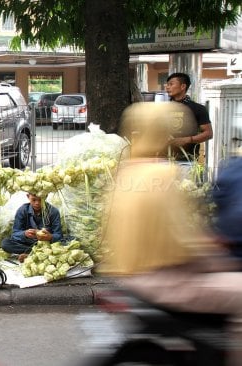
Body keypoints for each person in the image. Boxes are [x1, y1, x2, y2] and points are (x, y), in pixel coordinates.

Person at [100, 102, 242, 366]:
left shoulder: (126, 172)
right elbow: (179, 239)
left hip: (131, 278)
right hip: (166, 279)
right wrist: (216, 257)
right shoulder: (163, 173)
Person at [165, 72, 213, 164]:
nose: (167, 87)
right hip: (163, 160)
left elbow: (208, 133)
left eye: (171, 84)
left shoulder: (198, 109)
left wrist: (186, 140)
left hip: (186, 162)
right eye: (167, 85)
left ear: (183, 86)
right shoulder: (162, 109)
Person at [1, 193, 63, 262]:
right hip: (27, 244)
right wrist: (24, 234)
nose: (37, 203)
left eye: (40, 200)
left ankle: (32, 254)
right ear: (28, 197)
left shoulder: (53, 211)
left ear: (45, 196)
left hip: (47, 245)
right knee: (5, 243)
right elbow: (15, 233)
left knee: (70, 241)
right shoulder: (22, 210)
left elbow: (59, 235)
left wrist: (50, 237)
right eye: (33, 200)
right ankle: (37, 253)